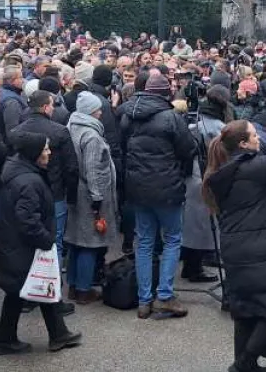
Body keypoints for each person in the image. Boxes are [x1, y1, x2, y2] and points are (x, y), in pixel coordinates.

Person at [201, 94, 266, 372]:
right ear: (242, 144)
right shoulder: (253, 168)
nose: (259, 139)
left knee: (245, 310)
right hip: (259, 248)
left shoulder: (223, 172)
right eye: (255, 136)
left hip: (235, 247)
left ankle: (248, 365)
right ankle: (243, 364)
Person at [0, 132, 83, 356]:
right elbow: (28, 220)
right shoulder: (29, 181)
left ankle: (55, 334)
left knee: (26, 288)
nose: (49, 152)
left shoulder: (20, 173)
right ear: (34, 153)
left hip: (16, 246)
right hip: (25, 246)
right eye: (45, 149)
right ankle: (10, 340)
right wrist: (46, 239)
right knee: (32, 286)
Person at [118, 68, 198, 319]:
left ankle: (144, 300)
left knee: (144, 242)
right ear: (166, 93)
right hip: (167, 187)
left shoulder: (127, 114)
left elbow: (122, 148)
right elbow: (188, 149)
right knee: (172, 239)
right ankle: (164, 295)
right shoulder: (171, 117)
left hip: (137, 187)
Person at [11, 90, 78, 286]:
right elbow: (71, 167)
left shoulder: (17, 132)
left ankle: (29, 287)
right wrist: (71, 196)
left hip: (24, 190)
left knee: (28, 238)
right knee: (53, 241)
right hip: (54, 193)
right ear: (46, 107)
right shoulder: (59, 131)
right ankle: (52, 289)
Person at [65, 92, 119, 303]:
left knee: (76, 242)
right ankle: (84, 289)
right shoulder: (92, 136)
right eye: (97, 109)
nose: (100, 112)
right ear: (90, 112)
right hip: (89, 194)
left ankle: (72, 285)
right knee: (90, 243)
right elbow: (93, 169)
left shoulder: (72, 127)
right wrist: (97, 197)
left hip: (75, 191)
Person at [183, 85, 232, 284]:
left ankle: (190, 266)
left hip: (191, 176)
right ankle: (194, 269)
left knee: (192, 224)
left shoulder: (194, 120)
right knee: (202, 226)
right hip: (206, 178)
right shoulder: (219, 128)